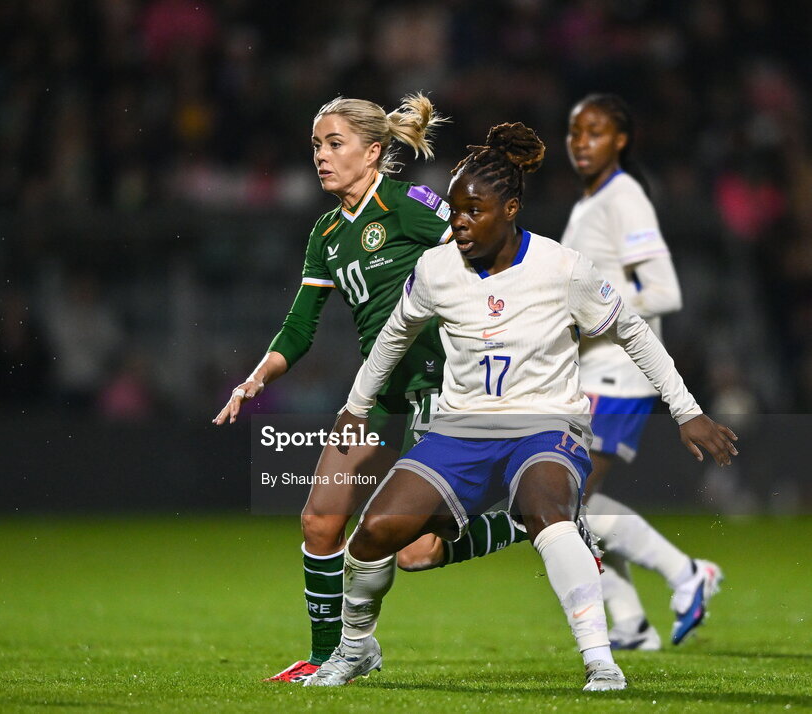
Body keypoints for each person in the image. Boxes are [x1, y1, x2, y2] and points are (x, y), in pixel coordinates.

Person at [305, 123, 738, 691]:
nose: (458, 222)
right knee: (375, 535)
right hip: (458, 432)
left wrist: (687, 411)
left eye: (474, 211)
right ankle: (355, 649)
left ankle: (600, 661)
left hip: (545, 427)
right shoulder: (437, 271)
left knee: (548, 515)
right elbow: (393, 337)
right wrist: (355, 406)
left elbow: (632, 330)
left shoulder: (563, 269)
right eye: (455, 210)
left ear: (510, 209)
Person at [212, 94, 527, 682]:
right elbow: (300, 326)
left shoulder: (409, 206)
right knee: (319, 520)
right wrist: (256, 377)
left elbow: (489, 254)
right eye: (315, 146)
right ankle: (331, 655)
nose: (321, 157)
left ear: (374, 151)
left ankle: (526, 519)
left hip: (444, 384)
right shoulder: (327, 232)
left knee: (413, 554)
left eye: (335, 144)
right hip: (377, 393)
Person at [563, 93, 723, 649]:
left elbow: (663, 290)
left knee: (564, 502)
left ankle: (684, 575)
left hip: (616, 374)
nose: (582, 141)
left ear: (621, 140)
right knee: (565, 505)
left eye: (596, 131)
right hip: (590, 375)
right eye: (576, 131)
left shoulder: (624, 195)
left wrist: (591, 319)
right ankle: (630, 622)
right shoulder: (590, 203)